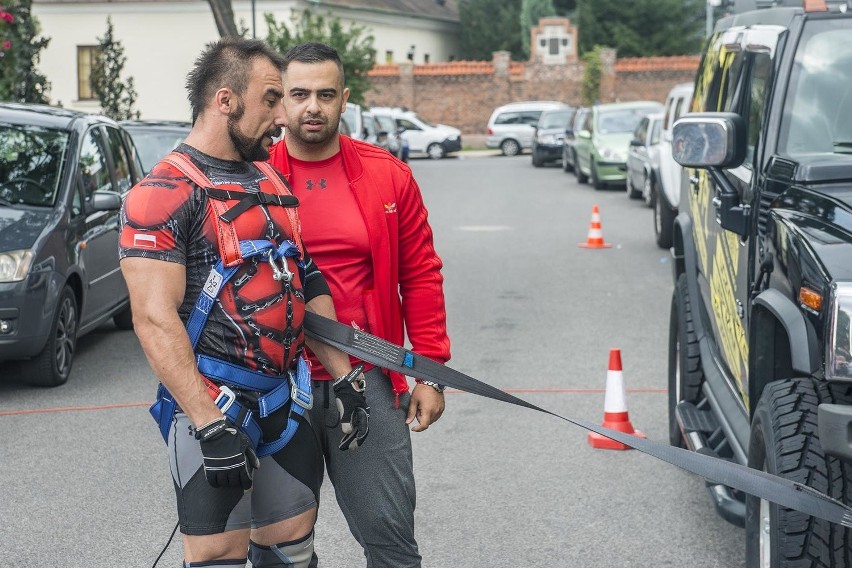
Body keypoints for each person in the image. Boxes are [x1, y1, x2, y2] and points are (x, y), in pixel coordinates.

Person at [119, 37, 369, 568]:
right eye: (272, 99)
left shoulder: (269, 179)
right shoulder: (161, 193)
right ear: (226, 100)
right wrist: (209, 423)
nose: (285, 116)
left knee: (291, 553)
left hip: (286, 405)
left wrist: (344, 375)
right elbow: (153, 318)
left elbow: (303, 280)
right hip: (211, 411)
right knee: (217, 559)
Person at [268, 42, 451, 568]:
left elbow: (420, 275)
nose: (312, 108)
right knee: (280, 548)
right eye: (299, 94)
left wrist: (430, 372)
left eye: (326, 95)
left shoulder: (387, 175)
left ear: (344, 99)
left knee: (391, 542)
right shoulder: (253, 179)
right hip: (277, 384)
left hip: (368, 378)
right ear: (280, 102)